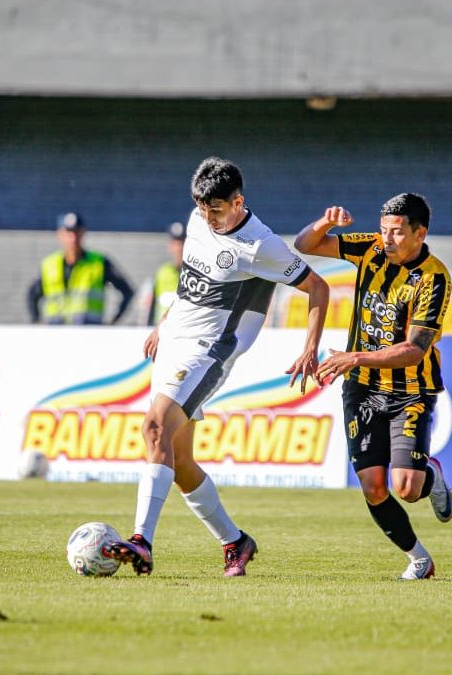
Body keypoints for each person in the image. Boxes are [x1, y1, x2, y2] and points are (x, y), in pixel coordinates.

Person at [107, 157, 329, 577]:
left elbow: (318, 287)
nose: (208, 218)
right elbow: (190, 280)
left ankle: (141, 542)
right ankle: (235, 542)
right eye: (202, 208)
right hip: (174, 344)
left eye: (217, 210)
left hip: (209, 351)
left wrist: (310, 348)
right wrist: (164, 322)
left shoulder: (261, 246)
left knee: (154, 428)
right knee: (178, 460)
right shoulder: (198, 218)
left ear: (238, 202)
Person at [295, 194, 452, 581]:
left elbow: (414, 350)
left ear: (420, 233)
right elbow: (304, 245)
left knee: (407, 487)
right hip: (363, 388)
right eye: (384, 230)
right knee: (373, 487)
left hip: (410, 391)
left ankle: (429, 476)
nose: (387, 239)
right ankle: (419, 558)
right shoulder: (370, 249)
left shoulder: (434, 278)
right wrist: (324, 223)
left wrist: (354, 358)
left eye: (397, 232)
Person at [26, 212, 135, 325]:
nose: (73, 238)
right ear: (60, 235)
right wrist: (36, 321)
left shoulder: (98, 263)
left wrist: (113, 322)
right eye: (68, 232)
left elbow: (127, 291)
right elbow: (32, 295)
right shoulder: (50, 265)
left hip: (88, 334)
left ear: (83, 233)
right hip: (56, 335)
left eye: (77, 232)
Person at [141, 221, 187, 326]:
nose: (179, 249)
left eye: (182, 244)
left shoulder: (198, 274)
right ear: (170, 247)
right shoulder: (162, 273)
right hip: (162, 335)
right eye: (175, 244)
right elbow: (150, 309)